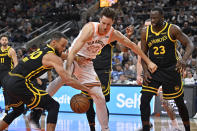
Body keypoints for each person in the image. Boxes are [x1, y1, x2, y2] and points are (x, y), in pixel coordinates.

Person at [65, 7, 157, 131]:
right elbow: (74, 50)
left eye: (108, 24)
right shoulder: (90, 30)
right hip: (79, 62)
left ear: (112, 23)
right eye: (103, 23)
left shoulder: (112, 34)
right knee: (75, 91)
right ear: (99, 21)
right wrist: (68, 71)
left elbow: (128, 47)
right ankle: (92, 128)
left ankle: (104, 128)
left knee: (101, 98)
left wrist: (147, 59)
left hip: (97, 67)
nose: (105, 26)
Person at [0, 32, 90, 131]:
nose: (64, 48)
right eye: (62, 45)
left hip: (8, 80)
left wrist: (76, 58)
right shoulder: (53, 57)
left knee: (17, 110)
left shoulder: (44, 49)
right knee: (53, 106)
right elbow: (67, 79)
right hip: (19, 82)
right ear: (54, 42)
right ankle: (34, 117)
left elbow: (62, 55)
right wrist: (87, 89)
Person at [140, 7, 194, 131]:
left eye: (155, 18)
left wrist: (184, 60)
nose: (152, 20)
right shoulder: (145, 32)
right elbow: (143, 55)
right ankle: (146, 127)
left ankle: (187, 128)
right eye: (151, 18)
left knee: (179, 103)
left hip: (171, 70)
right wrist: (145, 70)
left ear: (162, 18)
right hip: (154, 70)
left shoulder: (173, 29)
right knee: (144, 99)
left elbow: (189, 44)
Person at [136, 19, 180, 130]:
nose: (145, 28)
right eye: (144, 26)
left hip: (163, 73)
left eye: (148, 26)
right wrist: (138, 75)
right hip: (150, 75)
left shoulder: (163, 38)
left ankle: (175, 125)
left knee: (164, 101)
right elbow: (139, 61)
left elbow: (176, 53)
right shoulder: (141, 42)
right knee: (144, 100)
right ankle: (146, 124)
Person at [0, 35, 18, 116]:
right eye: (3, 39)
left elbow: (16, 63)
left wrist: (14, 74)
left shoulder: (11, 50)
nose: (4, 41)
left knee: (6, 93)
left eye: (5, 40)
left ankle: (6, 113)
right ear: (0, 41)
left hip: (7, 74)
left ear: (8, 41)